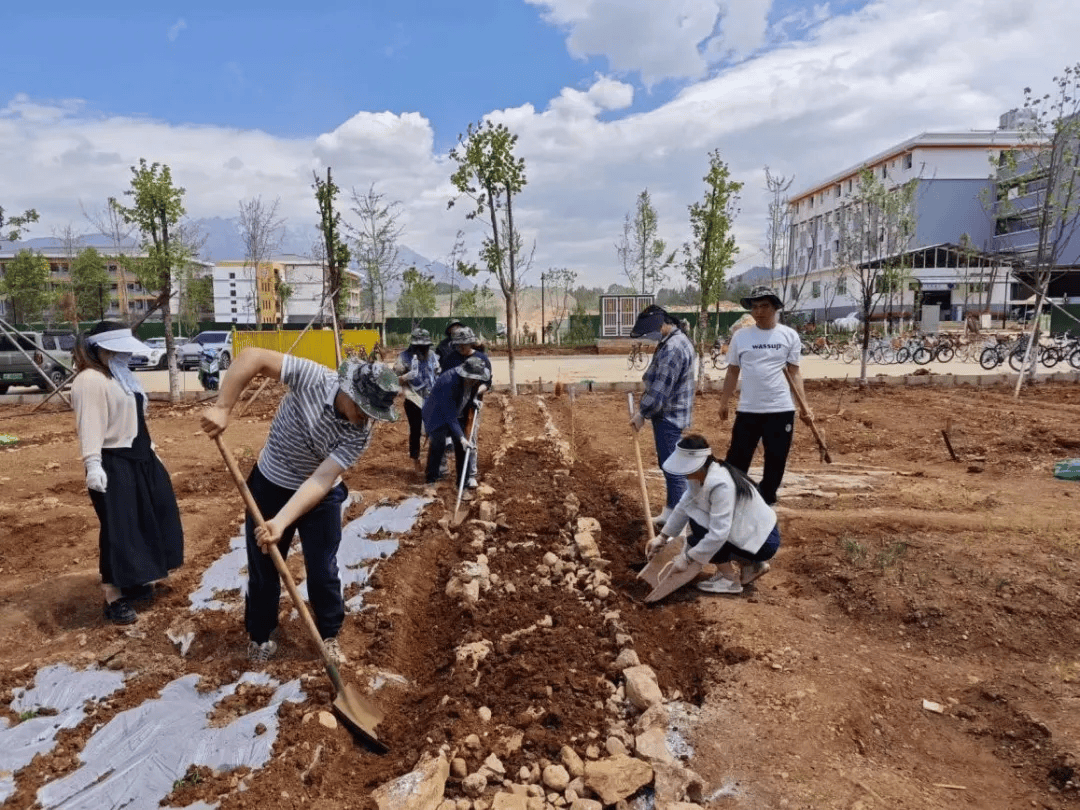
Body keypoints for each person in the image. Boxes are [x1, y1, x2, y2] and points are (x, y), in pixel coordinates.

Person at [201, 348, 400, 664]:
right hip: (270, 484)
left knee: (323, 568)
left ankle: (329, 634)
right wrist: (223, 407)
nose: (365, 418)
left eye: (373, 414)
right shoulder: (314, 378)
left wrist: (280, 522)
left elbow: (321, 480)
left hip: (320, 496)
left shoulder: (361, 434)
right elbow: (253, 357)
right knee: (264, 565)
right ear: (347, 389)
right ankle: (261, 636)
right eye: (363, 409)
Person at [70, 322, 184, 625]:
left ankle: (136, 581)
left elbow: (136, 420)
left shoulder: (121, 375)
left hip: (141, 457)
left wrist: (153, 450)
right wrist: (93, 464)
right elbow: (90, 424)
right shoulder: (91, 379)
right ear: (103, 348)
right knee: (118, 529)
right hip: (114, 462)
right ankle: (113, 597)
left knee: (151, 518)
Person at [648, 434, 780, 594]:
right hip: (752, 535)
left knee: (699, 529)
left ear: (698, 464)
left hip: (763, 541)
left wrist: (688, 557)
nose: (683, 472)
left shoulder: (721, 485)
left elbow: (719, 533)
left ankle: (729, 580)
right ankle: (752, 565)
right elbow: (684, 504)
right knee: (697, 525)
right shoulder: (700, 476)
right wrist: (662, 537)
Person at [718, 286, 810, 506]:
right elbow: (732, 371)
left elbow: (795, 373)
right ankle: (734, 501)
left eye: (764, 306)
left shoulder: (789, 336)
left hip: (780, 410)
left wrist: (804, 406)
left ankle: (767, 501)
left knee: (776, 461)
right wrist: (724, 401)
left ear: (776, 308)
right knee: (737, 460)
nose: (758, 311)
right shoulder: (741, 337)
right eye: (755, 307)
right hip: (748, 409)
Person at [627, 304, 697, 529]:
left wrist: (642, 414)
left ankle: (678, 527)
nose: (650, 338)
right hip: (670, 414)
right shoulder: (673, 342)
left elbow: (659, 390)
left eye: (650, 332)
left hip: (669, 416)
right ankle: (670, 514)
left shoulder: (673, 348)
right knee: (669, 465)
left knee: (674, 470)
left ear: (662, 325)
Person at [422, 354, 491, 496]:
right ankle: (430, 481)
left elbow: (467, 395)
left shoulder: (474, 381)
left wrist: (473, 401)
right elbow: (449, 415)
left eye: (475, 379)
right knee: (438, 444)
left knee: (462, 449)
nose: (473, 381)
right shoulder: (449, 382)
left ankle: (462, 485)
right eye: (471, 379)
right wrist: (461, 437)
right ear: (465, 374)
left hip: (457, 412)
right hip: (437, 414)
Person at [437, 327, 492, 487]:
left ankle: (471, 475)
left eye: (464, 344)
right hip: (451, 403)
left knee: (469, 438)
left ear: (470, 343)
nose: (461, 348)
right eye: (458, 344)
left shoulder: (482, 359)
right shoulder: (451, 359)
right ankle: (441, 470)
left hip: (471, 405)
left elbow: (487, 382)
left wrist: (476, 393)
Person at [393, 328, 440, 474]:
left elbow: (437, 372)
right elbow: (393, 379)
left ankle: (434, 461)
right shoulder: (403, 358)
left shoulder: (432, 355)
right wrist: (406, 377)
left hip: (431, 397)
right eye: (420, 346)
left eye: (425, 346)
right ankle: (416, 459)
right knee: (415, 430)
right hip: (413, 397)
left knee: (434, 430)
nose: (423, 349)